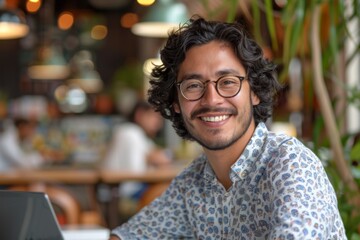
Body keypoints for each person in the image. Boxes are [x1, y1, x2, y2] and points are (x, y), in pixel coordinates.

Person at [110, 16, 346, 239]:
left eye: (228, 82)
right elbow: (128, 236)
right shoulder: (194, 183)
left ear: (254, 92)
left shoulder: (290, 165)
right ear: (176, 103)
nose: (212, 100)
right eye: (193, 85)